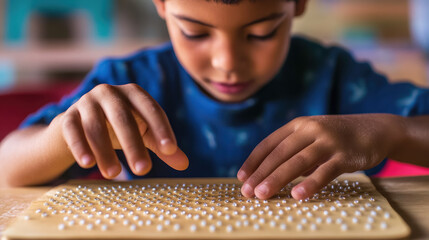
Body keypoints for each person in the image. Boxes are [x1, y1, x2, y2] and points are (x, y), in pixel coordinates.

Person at [1, 0, 429, 201]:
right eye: (196, 33)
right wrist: (63, 136)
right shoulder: (128, 81)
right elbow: (7, 167)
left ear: (297, 4)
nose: (228, 63)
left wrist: (389, 132)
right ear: (162, 5)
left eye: (261, 33)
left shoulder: (334, 77)